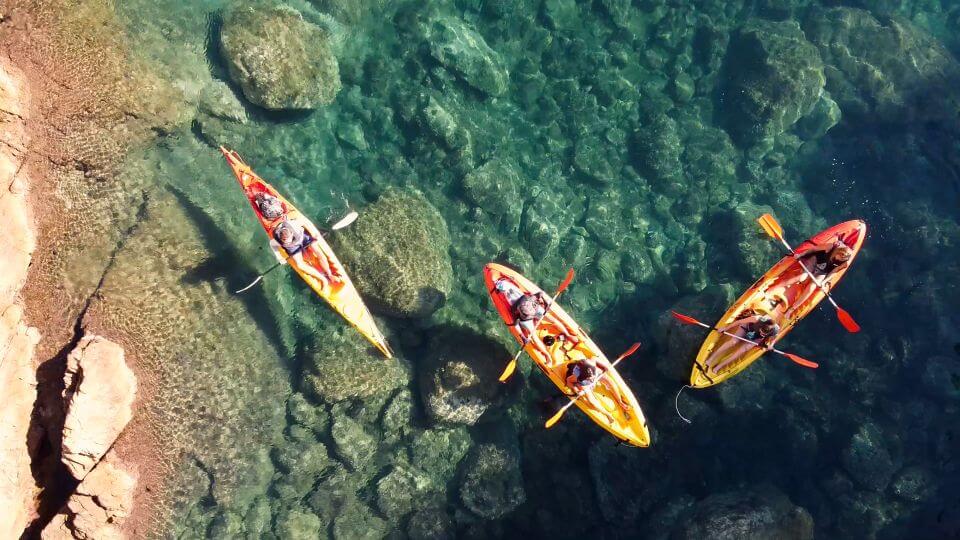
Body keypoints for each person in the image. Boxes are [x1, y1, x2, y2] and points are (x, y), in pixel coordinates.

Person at [494, 278, 579, 358]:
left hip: (527, 317)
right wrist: (546, 304)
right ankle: (568, 335)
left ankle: (546, 355)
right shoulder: (526, 297)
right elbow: (540, 293)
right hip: (535, 309)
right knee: (553, 320)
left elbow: (515, 322)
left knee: (533, 335)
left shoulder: (514, 308)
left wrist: (522, 336)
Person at [780, 239, 854, 319]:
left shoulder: (845, 263)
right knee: (802, 277)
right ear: (838, 251)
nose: (839, 259)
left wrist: (824, 282)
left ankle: (791, 310)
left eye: (841, 259)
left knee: (811, 288)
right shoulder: (831, 247)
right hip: (815, 260)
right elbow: (814, 249)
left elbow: (834, 271)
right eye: (839, 256)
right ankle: (774, 288)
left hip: (824, 271)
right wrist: (801, 255)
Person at [270, 218, 336, 290]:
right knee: (299, 265)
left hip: (303, 238)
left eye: (288, 240)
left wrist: (314, 234)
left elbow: (305, 222)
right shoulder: (277, 237)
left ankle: (329, 274)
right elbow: (272, 244)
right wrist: (279, 257)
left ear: (291, 233)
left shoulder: (293, 225)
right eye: (285, 241)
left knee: (317, 251)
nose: (287, 242)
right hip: (293, 247)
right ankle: (323, 279)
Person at [564, 355, 631, 425]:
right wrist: (577, 391)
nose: (592, 379)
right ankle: (608, 415)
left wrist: (605, 366)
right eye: (589, 378)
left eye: (591, 377)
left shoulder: (592, 364)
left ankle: (620, 402)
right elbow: (569, 381)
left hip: (596, 373)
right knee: (591, 400)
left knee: (610, 382)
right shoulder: (577, 375)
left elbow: (594, 358)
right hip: (584, 383)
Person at [706, 314, 780, 374]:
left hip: (757, 338)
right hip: (747, 327)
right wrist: (725, 328)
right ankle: (711, 359)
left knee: (742, 351)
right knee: (733, 342)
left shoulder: (775, 330)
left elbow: (774, 339)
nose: (762, 333)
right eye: (761, 331)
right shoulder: (756, 319)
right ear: (761, 326)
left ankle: (719, 366)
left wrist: (771, 345)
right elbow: (739, 322)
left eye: (764, 334)